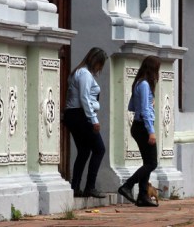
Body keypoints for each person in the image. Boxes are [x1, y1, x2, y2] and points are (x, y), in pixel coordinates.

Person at [64, 47, 108, 198]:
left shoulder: (80, 72)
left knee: (84, 151)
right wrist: (94, 119)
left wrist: (95, 106)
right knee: (99, 149)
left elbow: (85, 98)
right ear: (96, 61)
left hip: (74, 114)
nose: (100, 68)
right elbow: (84, 98)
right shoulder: (84, 74)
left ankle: (75, 187)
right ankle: (90, 186)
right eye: (100, 64)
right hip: (80, 115)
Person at [118, 55, 160, 207]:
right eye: (157, 69)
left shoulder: (139, 83)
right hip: (143, 126)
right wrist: (151, 131)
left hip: (139, 126)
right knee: (152, 163)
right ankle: (127, 186)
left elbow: (132, 106)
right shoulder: (144, 85)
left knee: (147, 162)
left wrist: (149, 102)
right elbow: (143, 110)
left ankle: (143, 196)